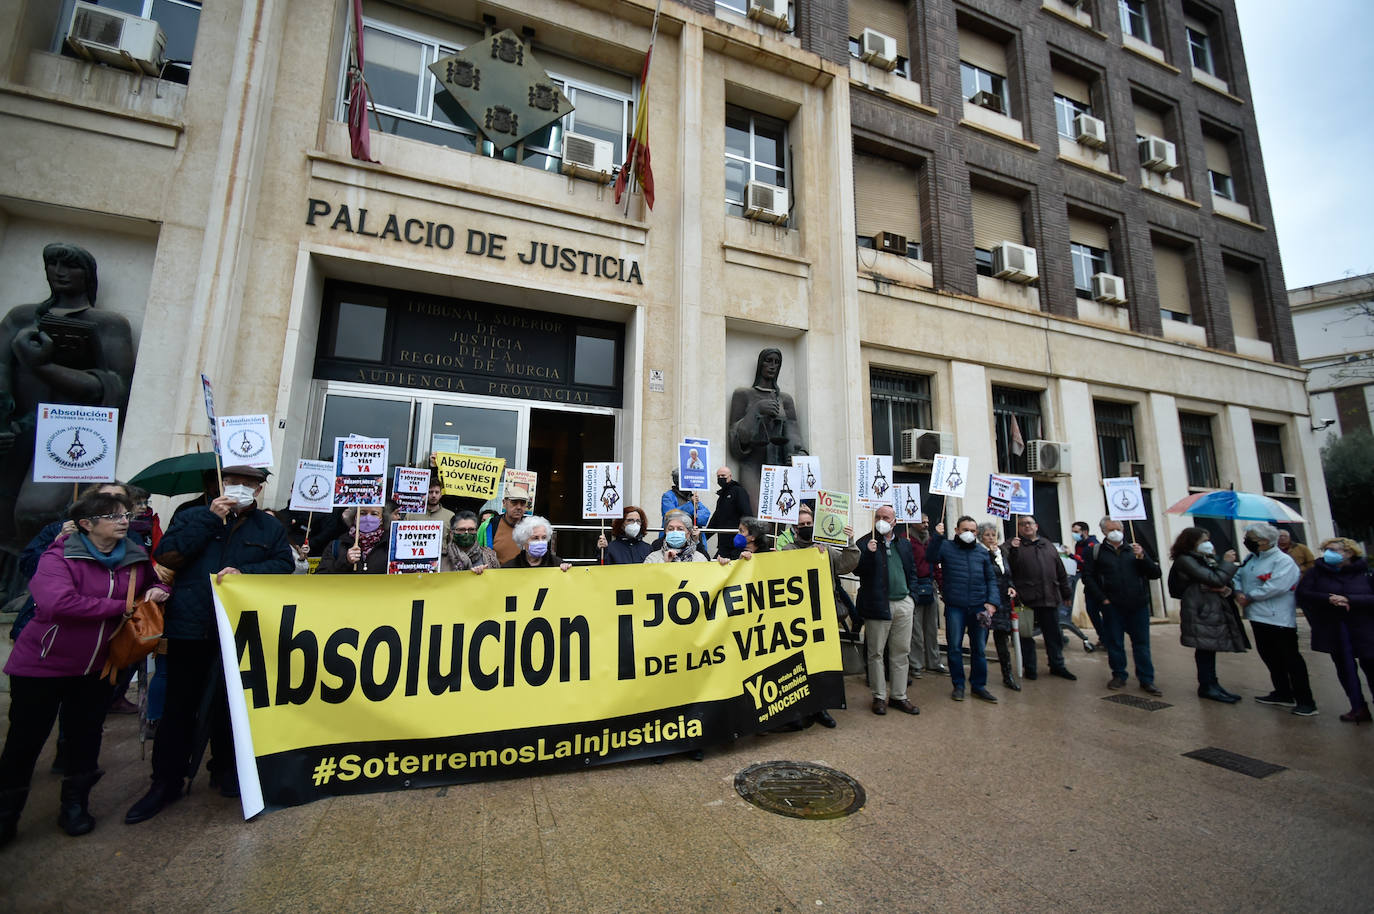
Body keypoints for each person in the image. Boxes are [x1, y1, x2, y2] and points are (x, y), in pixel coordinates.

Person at [125, 465, 293, 824]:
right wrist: (208, 519)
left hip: (238, 631)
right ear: (221, 483)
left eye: (250, 485)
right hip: (191, 626)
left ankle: (226, 771)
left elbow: (282, 565)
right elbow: (167, 557)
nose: (242, 489)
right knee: (179, 708)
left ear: (259, 491)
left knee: (232, 707)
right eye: (235, 482)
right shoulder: (191, 514)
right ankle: (166, 781)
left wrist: (246, 575)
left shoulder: (269, 527)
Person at [0, 489, 168, 845]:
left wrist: (157, 593)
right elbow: (58, 602)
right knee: (24, 741)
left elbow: (153, 586)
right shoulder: (59, 556)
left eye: (125, 514)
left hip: (98, 668)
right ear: (87, 524)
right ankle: (6, 813)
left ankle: (75, 805)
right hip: (41, 666)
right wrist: (119, 609)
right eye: (114, 516)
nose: (124, 520)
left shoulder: (135, 559)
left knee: (85, 736)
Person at [0, 243, 136, 551]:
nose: (60, 272)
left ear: (87, 275)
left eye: (71, 265)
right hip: (17, 429)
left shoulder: (109, 324)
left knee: (36, 511)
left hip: (69, 432)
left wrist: (44, 366)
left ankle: (34, 579)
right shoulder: (20, 318)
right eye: (53, 264)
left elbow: (112, 386)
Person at [779, 504, 858, 727]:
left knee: (823, 662)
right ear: (794, 529)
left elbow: (847, 564)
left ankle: (821, 707)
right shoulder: (789, 550)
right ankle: (804, 706)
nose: (805, 527)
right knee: (802, 663)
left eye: (808, 524)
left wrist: (849, 541)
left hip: (824, 613)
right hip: (799, 617)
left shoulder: (827, 550)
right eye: (801, 525)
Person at [1232, 522, 1315, 716]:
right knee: (1269, 656)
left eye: (1251, 538)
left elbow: (1277, 586)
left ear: (1265, 541)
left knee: (1290, 659)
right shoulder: (1251, 558)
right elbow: (1239, 576)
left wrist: (1250, 596)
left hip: (1278, 618)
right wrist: (1238, 591)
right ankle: (1282, 692)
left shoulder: (1283, 561)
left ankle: (1305, 700)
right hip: (1256, 615)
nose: (1247, 542)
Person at [1296, 537, 1374, 723]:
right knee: (1345, 669)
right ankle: (1358, 708)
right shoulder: (1317, 572)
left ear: (1349, 553)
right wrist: (1327, 598)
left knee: (1371, 667)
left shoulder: (1365, 572)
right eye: (1326, 550)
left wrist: (1350, 600)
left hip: (1364, 628)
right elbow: (1303, 593)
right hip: (1334, 628)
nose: (1328, 553)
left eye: (1334, 550)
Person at [1167, 527, 1249, 704]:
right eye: (1203, 541)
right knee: (1204, 648)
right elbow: (1214, 579)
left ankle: (1213, 684)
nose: (1208, 544)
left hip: (1212, 609)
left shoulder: (1205, 559)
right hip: (1200, 610)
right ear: (1192, 542)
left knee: (1208, 648)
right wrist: (1227, 563)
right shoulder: (1185, 560)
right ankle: (1207, 685)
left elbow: (1219, 580)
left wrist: (1225, 584)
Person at [1083, 518, 1162, 696]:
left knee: (1142, 644)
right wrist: (1102, 599)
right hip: (1112, 607)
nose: (1115, 532)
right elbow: (1088, 577)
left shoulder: (1135, 549)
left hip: (1138, 605)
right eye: (1111, 530)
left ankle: (1146, 679)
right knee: (1114, 643)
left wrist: (1143, 557)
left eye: (1118, 529)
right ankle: (1119, 675)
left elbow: (1155, 574)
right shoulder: (1095, 552)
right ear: (1104, 531)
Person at [925, 516, 1000, 702]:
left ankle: (978, 686)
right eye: (965, 529)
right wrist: (937, 537)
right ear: (957, 530)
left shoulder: (982, 553)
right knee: (955, 648)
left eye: (972, 531)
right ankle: (958, 685)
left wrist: (992, 602)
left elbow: (991, 579)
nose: (969, 533)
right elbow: (930, 557)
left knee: (979, 649)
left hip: (979, 606)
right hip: (955, 606)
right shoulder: (946, 547)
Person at [854, 506, 920, 716]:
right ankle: (879, 696)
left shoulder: (905, 544)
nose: (881, 520)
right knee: (876, 653)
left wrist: (912, 597)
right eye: (878, 517)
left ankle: (899, 696)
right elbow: (857, 571)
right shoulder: (865, 542)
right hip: (877, 605)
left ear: (894, 521)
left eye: (885, 517)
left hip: (903, 604)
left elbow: (912, 571)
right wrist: (869, 554)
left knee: (901, 652)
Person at [727, 348, 807, 502]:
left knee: (782, 515)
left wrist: (799, 456)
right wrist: (756, 410)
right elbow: (736, 439)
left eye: (776, 362)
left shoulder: (785, 399)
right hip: (753, 467)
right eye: (768, 361)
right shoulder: (743, 395)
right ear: (760, 364)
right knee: (756, 519)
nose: (772, 366)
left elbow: (794, 435)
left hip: (779, 466)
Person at [1008, 515, 1074, 681]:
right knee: (1026, 636)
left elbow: (1060, 571)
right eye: (1022, 524)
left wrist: (1066, 593)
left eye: (1029, 523)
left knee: (1053, 635)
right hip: (1025, 600)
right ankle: (1030, 668)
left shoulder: (1048, 545)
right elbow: (1008, 568)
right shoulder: (1013, 546)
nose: (1027, 527)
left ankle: (1057, 665)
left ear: (1036, 526)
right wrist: (1013, 549)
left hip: (1049, 598)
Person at [900, 514, 945, 677]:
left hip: (929, 584)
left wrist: (941, 586)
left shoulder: (931, 540)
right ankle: (916, 664)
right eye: (922, 522)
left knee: (932, 627)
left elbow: (936, 564)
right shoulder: (905, 539)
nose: (926, 525)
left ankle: (934, 661)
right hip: (914, 586)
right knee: (916, 629)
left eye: (927, 522)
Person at [977, 521, 1020, 691]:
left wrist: (1011, 586)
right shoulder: (980, 553)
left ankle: (1007, 675)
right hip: (986, 601)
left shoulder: (1002, 552)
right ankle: (979, 677)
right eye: (987, 535)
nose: (990, 538)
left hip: (1003, 601)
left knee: (1002, 640)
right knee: (981, 639)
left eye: (993, 535)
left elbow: (1008, 574)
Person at [315, 505, 393, 573]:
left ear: (382, 519)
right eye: (362, 513)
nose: (368, 518)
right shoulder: (337, 546)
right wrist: (346, 561)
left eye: (374, 514)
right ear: (355, 517)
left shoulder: (391, 546)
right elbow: (321, 577)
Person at [1069, 520, 1105, 648]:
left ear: (1084, 532)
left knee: (1104, 612)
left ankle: (1108, 638)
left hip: (1098, 584)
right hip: (1088, 583)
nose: (1074, 534)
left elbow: (1086, 562)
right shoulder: (1078, 544)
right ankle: (1103, 637)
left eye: (1076, 532)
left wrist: (1072, 556)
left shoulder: (1093, 545)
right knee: (1091, 611)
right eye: (1073, 532)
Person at [477, 482, 530, 565]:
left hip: (525, 576)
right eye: (514, 502)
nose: (519, 507)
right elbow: (476, 555)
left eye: (522, 503)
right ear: (504, 503)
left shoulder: (532, 527)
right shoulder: (489, 526)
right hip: (495, 576)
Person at [707, 466, 753, 559]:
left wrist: (742, 535)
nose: (720, 478)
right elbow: (716, 518)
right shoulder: (722, 496)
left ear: (730, 476)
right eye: (718, 476)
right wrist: (704, 536)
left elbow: (747, 514)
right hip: (724, 543)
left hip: (736, 543)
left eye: (723, 475)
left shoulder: (738, 491)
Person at [502, 516, 572, 571]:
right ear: (523, 541)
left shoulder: (557, 564)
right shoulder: (510, 567)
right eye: (535, 538)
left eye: (544, 537)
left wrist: (566, 570)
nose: (541, 541)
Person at [644, 509, 710, 564]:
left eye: (680, 529)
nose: (675, 532)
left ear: (689, 533)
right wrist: (664, 563)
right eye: (670, 529)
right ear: (665, 532)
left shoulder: (699, 559)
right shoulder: (653, 558)